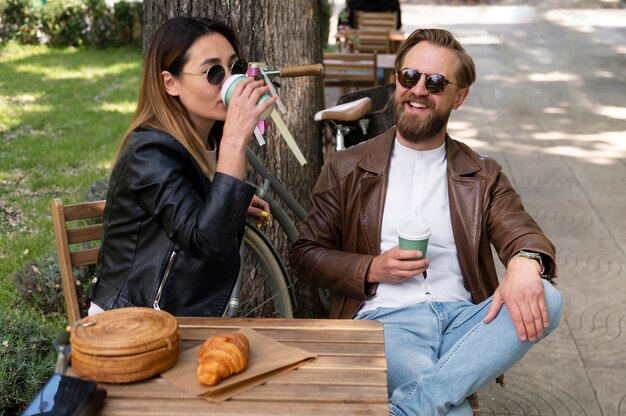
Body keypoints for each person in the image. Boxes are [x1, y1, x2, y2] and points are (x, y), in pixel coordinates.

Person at [289, 28, 563, 415]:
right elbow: (304, 253)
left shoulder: (482, 174)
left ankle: (410, 407)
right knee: (455, 412)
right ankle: (426, 401)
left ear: (459, 96)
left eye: (435, 82)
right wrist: (371, 267)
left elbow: (520, 229)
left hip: (464, 322)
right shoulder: (347, 166)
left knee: (548, 297)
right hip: (386, 322)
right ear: (396, 82)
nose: (419, 89)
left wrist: (524, 261)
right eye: (409, 77)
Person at [89, 16, 276, 316]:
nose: (232, 81)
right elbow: (206, 243)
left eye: (236, 68)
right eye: (213, 72)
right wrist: (234, 140)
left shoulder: (206, 138)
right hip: (131, 322)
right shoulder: (149, 152)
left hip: (182, 317)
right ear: (170, 83)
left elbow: (188, 219)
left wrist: (227, 206)